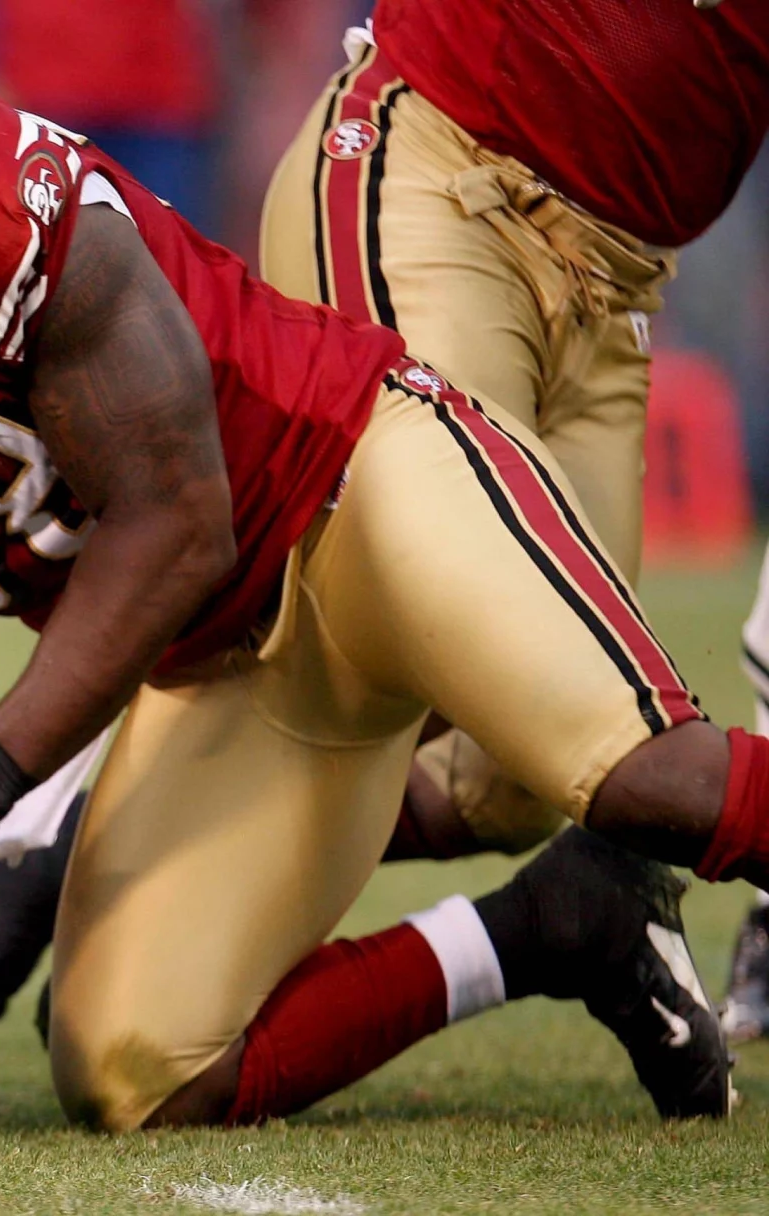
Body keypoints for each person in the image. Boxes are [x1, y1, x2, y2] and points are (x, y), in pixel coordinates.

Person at [0, 63, 758, 1129]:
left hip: (356, 490)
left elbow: (177, 521)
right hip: (227, 662)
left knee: (649, 778)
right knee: (134, 1066)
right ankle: (559, 925)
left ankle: (608, 852)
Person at [254, 2, 769, 1001]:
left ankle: (556, 927)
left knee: (520, 773)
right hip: (444, 185)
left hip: (612, 289)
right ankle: (61, 846)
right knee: (568, 713)